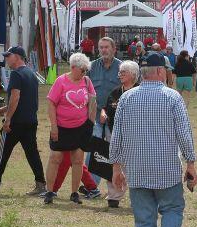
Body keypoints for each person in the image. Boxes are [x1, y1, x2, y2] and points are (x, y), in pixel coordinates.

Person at [109, 52, 197, 227]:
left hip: (137, 169)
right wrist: (191, 162)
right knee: (173, 209)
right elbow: (184, 133)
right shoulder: (173, 98)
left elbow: (116, 136)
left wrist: (116, 167)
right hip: (166, 168)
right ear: (160, 72)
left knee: (144, 220)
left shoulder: (127, 98)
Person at [0, 47, 45, 196]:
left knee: (3, 151)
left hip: (16, 123)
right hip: (30, 121)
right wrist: (3, 109)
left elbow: (16, 97)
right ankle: (41, 184)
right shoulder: (31, 74)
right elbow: (24, 99)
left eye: (9, 55)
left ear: (18, 57)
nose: (6, 58)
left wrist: (7, 119)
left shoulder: (16, 74)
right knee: (32, 153)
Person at [43, 52, 98, 205]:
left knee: (78, 160)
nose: (84, 73)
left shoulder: (86, 81)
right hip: (61, 127)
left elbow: (93, 101)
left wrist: (90, 123)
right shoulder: (61, 81)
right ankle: (49, 191)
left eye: (86, 70)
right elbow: (51, 104)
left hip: (81, 128)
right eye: (82, 70)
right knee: (55, 158)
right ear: (73, 68)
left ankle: (74, 193)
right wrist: (54, 126)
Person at [99, 59, 139, 208]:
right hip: (114, 134)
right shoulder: (116, 91)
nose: (120, 74)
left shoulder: (140, 91)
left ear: (133, 74)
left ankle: (139, 197)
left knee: (135, 166)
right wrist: (103, 113)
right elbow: (106, 106)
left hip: (135, 136)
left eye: (124, 72)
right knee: (114, 164)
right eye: (120, 72)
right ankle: (114, 196)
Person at [88, 37, 123, 202]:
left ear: (114, 48)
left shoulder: (121, 67)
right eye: (101, 47)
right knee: (93, 150)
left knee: (112, 152)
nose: (103, 50)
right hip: (94, 116)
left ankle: (115, 189)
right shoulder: (92, 66)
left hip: (114, 117)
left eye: (106, 47)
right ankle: (91, 186)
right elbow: (86, 89)